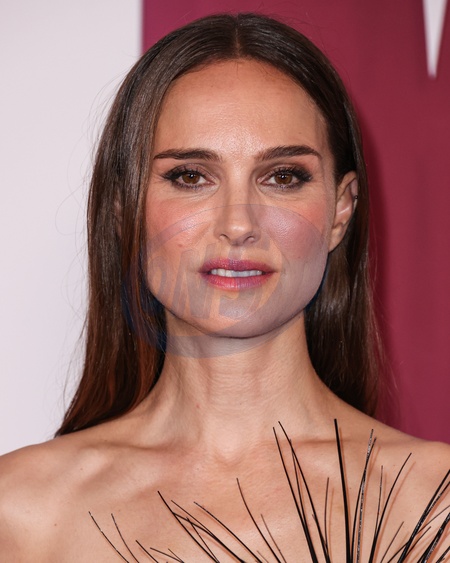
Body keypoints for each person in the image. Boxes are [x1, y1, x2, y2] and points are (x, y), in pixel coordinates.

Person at [0, 13, 448, 562]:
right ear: (124, 208)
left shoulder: (436, 504)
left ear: (340, 209)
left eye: (283, 176)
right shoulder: (20, 512)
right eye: (190, 176)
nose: (238, 224)